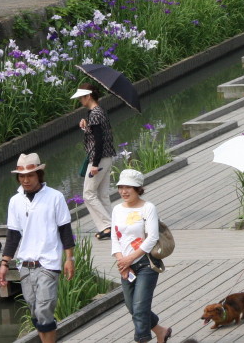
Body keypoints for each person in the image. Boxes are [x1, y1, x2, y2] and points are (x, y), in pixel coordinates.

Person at [0, 153, 75, 343]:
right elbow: (13, 236)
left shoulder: (55, 197)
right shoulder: (15, 201)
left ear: (39, 174)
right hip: (25, 264)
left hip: (48, 263)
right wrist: (4, 263)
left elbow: (65, 230)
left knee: (44, 309)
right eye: (22, 176)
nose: (25, 179)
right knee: (35, 312)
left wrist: (69, 259)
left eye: (30, 175)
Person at [111, 169, 172, 343]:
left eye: (128, 187)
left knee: (139, 307)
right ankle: (161, 331)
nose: (124, 191)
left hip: (146, 263)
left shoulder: (148, 208)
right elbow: (115, 237)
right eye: (121, 187)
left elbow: (152, 237)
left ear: (138, 188)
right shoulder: (117, 209)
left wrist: (130, 259)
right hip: (125, 264)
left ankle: (142, 339)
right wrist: (122, 261)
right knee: (132, 306)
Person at [72, 83, 115, 240]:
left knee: (88, 194)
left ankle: (107, 226)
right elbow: (98, 133)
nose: (80, 101)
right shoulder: (98, 112)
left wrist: (95, 164)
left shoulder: (95, 114)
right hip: (107, 157)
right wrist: (86, 123)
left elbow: (99, 141)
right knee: (102, 194)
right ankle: (114, 227)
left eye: (81, 98)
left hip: (99, 158)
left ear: (88, 96)